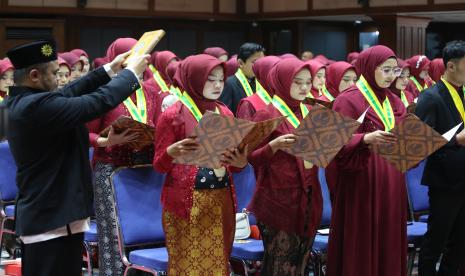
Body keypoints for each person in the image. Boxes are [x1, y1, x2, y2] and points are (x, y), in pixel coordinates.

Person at [5, 39, 148, 276]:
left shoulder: (24, 101)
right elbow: (96, 102)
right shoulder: (35, 106)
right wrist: (131, 74)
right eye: (54, 73)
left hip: (54, 215)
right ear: (34, 76)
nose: (60, 79)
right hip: (51, 218)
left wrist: (110, 70)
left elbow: (69, 91)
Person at [153, 54, 248, 275]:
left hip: (221, 198)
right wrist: (170, 153)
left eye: (221, 80)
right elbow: (159, 165)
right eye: (209, 79)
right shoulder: (173, 115)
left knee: (218, 264)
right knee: (188, 265)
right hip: (186, 203)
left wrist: (241, 162)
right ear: (194, 78)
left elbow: (232, 164)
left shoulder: (224, 111)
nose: (217, 85)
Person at [325, 45, 407, 276]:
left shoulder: (394, 100)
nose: (391, 76)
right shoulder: (348, 100)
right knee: (361, 237)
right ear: (370, 68)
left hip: (391, 178)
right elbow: (333, 143)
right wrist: (364, 138)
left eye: (395, 70)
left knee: (388, 236)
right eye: (386, 70)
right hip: (361, 181)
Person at [86, 37, 158, 276]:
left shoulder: (150, 90)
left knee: (149, 233)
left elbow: (157, 124)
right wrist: (103, 141)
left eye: (144, 55)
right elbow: (82, 131)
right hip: (111, 170)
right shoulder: (103, 91)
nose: (141, 61)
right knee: (114, 235)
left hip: (145, 168)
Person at [248, 58, 322, 275]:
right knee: (279, 267)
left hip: (309, 197)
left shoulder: (311, 111)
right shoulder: (267, 114)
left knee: (301, 264)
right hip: (278, 200)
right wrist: (273, 145)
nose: (304, 87)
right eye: (297, 82)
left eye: (308, 82)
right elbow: (250, 158)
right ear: (281, 81)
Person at [416, 40, 465, 276]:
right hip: (445, 181)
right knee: (435, 241)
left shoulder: (464, 92)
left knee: (460, 243)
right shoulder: (430, 97)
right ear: (451, 66)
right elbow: (422, 144)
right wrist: (456, 140)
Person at [219, 42, 265, 114]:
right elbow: (225, 115)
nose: (260, 65)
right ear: (240, 63)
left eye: (262, 61)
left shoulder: (262, 82)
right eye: (255, 61)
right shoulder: (228, 84)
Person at [236, 55, 281, 120]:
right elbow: (245, 129)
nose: (279, 77)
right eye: (275, 74)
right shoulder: (248, 104)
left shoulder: (288, 99)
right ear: (263, 75)